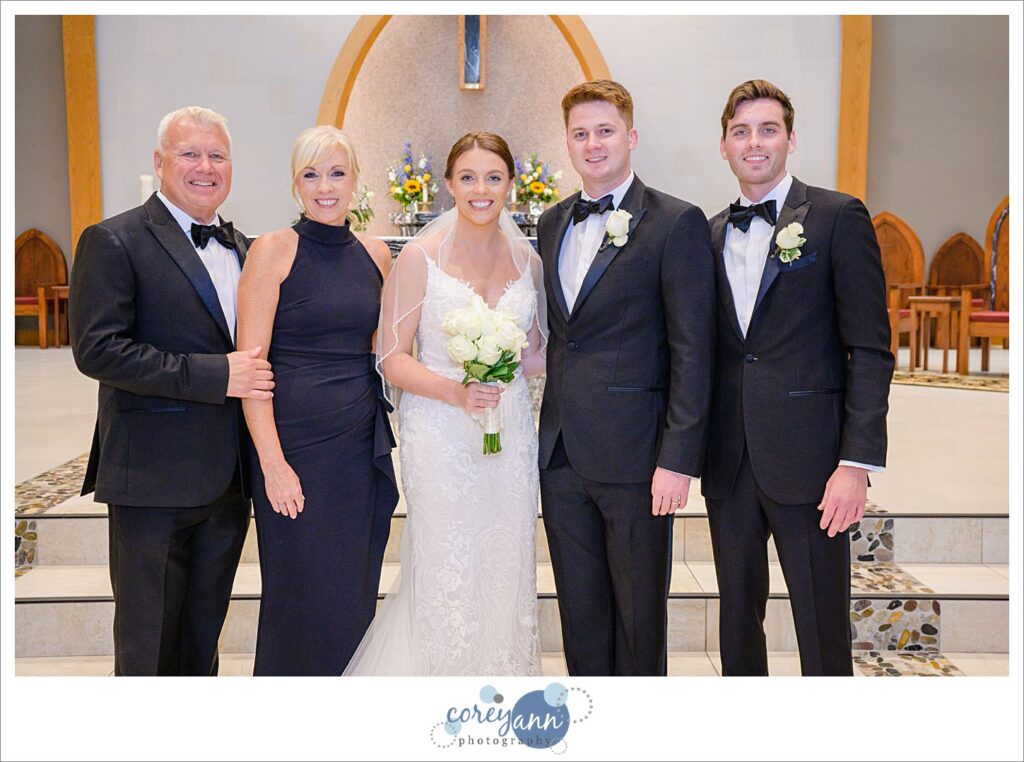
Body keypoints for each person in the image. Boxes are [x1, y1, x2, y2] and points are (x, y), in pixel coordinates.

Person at [69, 106, 271, 676]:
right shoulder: (114, 240)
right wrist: (216, 375)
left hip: (228, 483)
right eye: (190, 154)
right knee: (147, 650)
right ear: (159, 163)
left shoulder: (244, 247)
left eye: (217, 156)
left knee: (200, 643)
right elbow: (99, 350)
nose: (205, 167)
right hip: (152, 483)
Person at [704, 79, 893, 676]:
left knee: (821, 626)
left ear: (790, 139)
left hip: (813, 461)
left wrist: (856, 463)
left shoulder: (838, 217)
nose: (753, 143)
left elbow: (869, 348)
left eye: (767, 130)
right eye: (741, 132)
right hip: (728, 462)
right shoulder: (707, 233)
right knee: (736, 622)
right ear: (724, 146)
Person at [343, 132, 546, 676]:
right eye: (469, 177)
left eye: (494, 177)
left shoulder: (528, 261)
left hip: (508, 429)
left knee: (505, 557)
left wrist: (507, 367)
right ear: (449, 184)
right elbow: (391, 357)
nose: (482, 190)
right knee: (448, 564)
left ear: (511, 184)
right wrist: (457, 390)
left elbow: (538, 355)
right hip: (440, 432)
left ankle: (501, 689)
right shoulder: (418, 258)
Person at [537, 80, 716, 676]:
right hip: (561, 454)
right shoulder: (552, 221)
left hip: (639, 459)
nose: (593, 144)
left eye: (605, 131)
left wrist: (677, 458)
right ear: (567, 141)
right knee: (580, 616)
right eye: (580, 134)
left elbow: (692, 350)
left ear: (631, 137)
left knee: (639, 620)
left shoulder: (675, 222)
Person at [236, 125, 399, 675]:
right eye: (311, 174)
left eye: (336, 172)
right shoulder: (273, 250)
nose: (325, 187)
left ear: (356, 180)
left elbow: (390, 351)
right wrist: (273, 464)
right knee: (297, 590)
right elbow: (252, 371)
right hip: (295, 450)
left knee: (353, 586)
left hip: (358, 448)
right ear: (295, 184)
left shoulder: (377, 254)